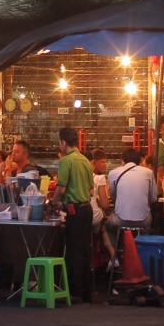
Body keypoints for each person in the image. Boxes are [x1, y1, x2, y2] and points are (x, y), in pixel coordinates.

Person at [51, 126, 94, 303]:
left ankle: (75, 292)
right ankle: (85, 292)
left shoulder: (66, 160)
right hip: (87, 210)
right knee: (83, 251)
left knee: (74, 251)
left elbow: (61, 187)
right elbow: (91, 191)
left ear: (63, 142)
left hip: (75, 211)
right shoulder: (84, 160)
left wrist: (53, 203)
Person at [101, 149, 157, 266]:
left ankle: (115, 257)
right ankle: (141, 260)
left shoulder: (114, 173)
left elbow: (113, 196)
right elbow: (153, 198)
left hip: (121, 219)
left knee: (106, 226)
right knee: (145, 228)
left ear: (122, 161)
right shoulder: (148, 172)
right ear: (140, 161)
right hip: (143, 221)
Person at [89, 148, 110, 237]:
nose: (104, 165)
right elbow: (105, 205)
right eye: (102, 162)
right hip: (94, 217)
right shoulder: (99, 178)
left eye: (105, 162)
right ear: (94, 162)